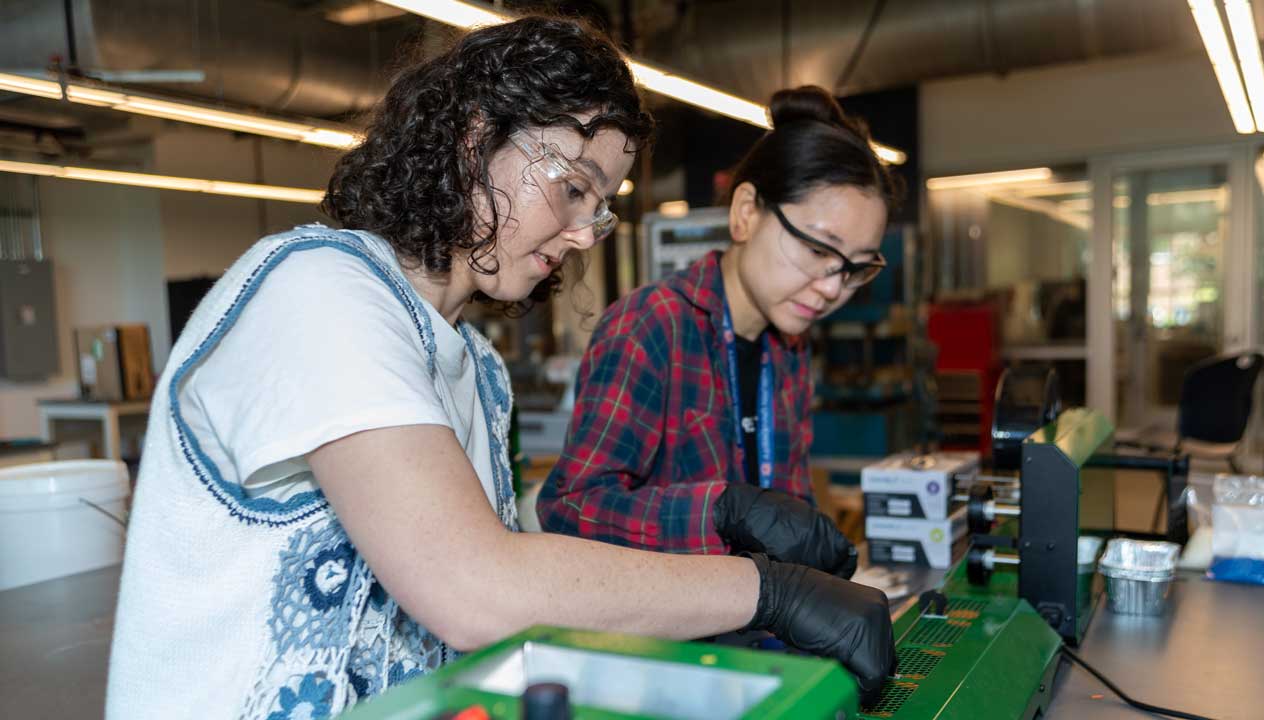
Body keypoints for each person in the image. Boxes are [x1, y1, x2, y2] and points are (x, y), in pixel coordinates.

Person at [105, 18, 893, 719]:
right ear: (475, 136)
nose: (586, 233)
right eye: (573, 187)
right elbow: (475, 589)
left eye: (600, 206)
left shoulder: (477, 372)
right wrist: (769, 589)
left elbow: (520, 598)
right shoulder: (317, 288)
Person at [538, 86, 896, 577]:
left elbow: (786, 498)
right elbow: (571, 510)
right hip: (663, 639)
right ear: (746, 212)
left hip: (755, 626)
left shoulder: (787, 346)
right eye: (818, 251)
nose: (833, 287)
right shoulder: (650, 328)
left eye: (854, 269)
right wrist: (723, 512)